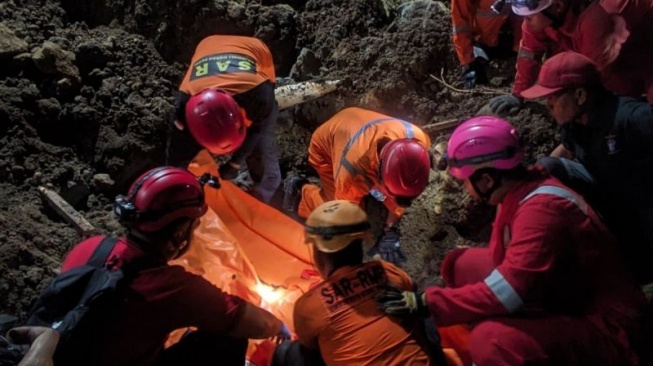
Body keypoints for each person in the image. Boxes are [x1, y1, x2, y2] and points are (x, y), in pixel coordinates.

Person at [377, 116, 646, 365]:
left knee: (491, 340)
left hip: (609, 326)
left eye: (465, 181)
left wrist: (426, 303)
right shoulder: (521, 189)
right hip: (565, 287)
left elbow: (508, 292)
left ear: (486, 179)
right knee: (459, 264)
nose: (465, 188)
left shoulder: (542, 212)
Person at [53, 167, 290, 366]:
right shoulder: (172, 287)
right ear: (179, 232)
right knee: (227, 339)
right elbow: (252, 322)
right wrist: (277, 326)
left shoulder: (92, 248)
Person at [520, 51, 653, 283]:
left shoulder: (633, 119)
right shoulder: (575, 125)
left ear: (580, 95)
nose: (547, 104)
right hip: (610, 197)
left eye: (553, 97)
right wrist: (526, 186)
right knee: (547, 169)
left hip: (643, 206)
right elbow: (563, 152)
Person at [273, 200, 440, 366]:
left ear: (319, 255)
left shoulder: (308, 308)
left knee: (288, 352)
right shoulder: (388, 272)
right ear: (360, 246)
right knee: (419, 309)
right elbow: (409, 289)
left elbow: (310, 346)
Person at [282, 107, 432, 265]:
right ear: (379, 175)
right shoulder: (351, 173)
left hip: (355, 124)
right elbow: (345, 215)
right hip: (325, 147)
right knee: (336, 215)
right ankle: (300, 191)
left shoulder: (418, 138)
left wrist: (390, 230)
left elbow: (400, 191)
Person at [487, 0, 653, 115]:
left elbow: (595, 78)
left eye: (530, 15)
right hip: (623, 48)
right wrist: (518, 94)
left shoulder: (596, 19)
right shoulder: (542, 17)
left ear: (557, 6)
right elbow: (529, 54)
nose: (525, 19)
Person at [169, 35, 281, 203]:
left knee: (263, 142)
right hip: (207, 44)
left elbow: (258, 130)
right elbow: (176, 149)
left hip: (256, 49)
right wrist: (176, 177)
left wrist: (235, 163)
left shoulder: (260, 95)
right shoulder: (183, 105)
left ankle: (266, 192)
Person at [452, 0, 523, 88]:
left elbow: (523, 15)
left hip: (509, 36)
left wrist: (520, 50)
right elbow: (460, 24)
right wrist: (468, 62)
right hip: (482, 40)